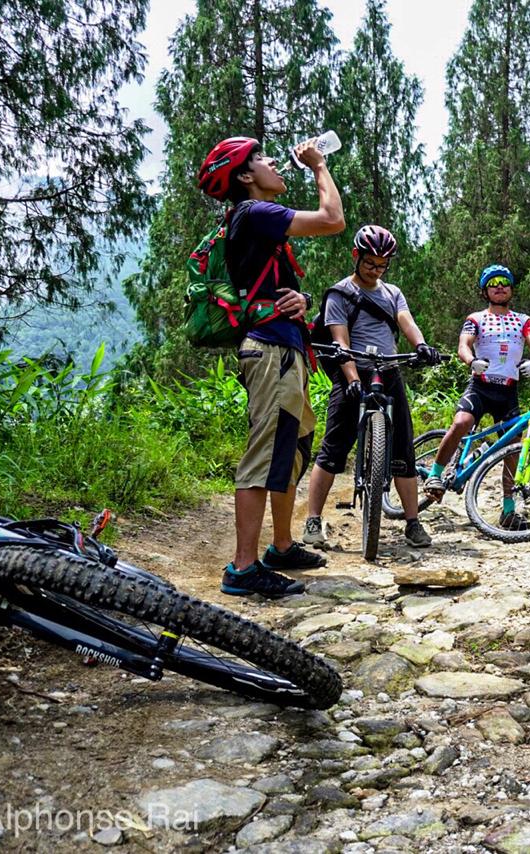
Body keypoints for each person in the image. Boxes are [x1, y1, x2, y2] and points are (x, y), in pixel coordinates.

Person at [196, 136, 344, 598]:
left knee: (294, 446)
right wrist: (319, 166)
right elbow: (332, 220)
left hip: (283, 346)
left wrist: (300, 300)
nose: (273, 162)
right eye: (260, 159)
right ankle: (243, 567)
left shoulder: (254, 221)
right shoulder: (254, 212)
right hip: (271, 353)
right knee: (265, 452)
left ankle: (281, 545)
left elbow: (267, 290)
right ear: (244, 177)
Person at [302, 224, 442, 550]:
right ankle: (312, 521)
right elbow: (340, 340)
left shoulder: (392, 293)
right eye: (369, 263)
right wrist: (351, 379)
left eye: (382, 265)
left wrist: (421, 345)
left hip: (389, 372)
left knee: (403, 451)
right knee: (333, 448)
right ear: (356, 256)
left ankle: (412, 523)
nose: (375, 269)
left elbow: (406, 321)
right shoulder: (340, 294)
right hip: (352, 368)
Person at [423, 264, 530, 531]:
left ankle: (509, 511)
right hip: (480, 386)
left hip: (508, 391)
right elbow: (464, 344)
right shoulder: (476, 318)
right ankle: (434, 474)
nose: (500, 286)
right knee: (462, 422)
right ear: (485, 290)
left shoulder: (523, 320)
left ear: (511, 288)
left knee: (513, 446)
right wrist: (471, 360)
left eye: (505, 282)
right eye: (493, 283)